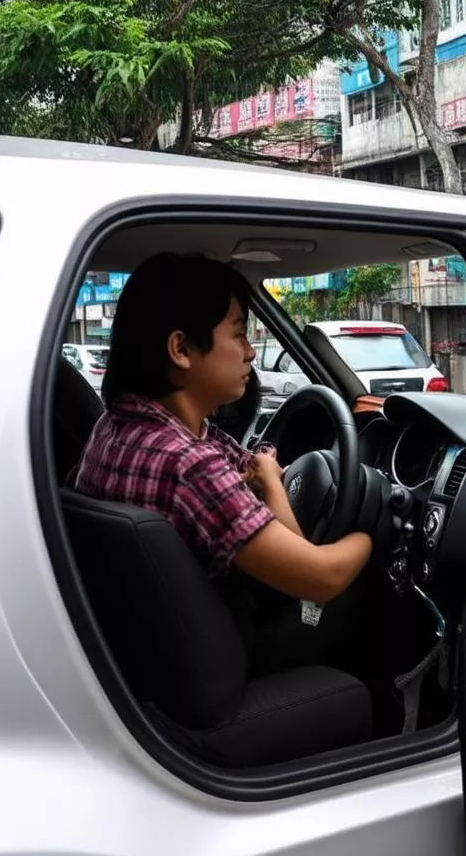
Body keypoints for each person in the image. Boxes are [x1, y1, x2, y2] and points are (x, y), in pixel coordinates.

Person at [73, 252, 382, 612]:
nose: (250, 352)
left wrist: (264, 474)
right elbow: (320, 579)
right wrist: (376, 526)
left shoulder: (113, 425)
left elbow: (245, 462)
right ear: (181, 349)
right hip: (219, 649)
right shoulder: (190, 466)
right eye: (238, 334)